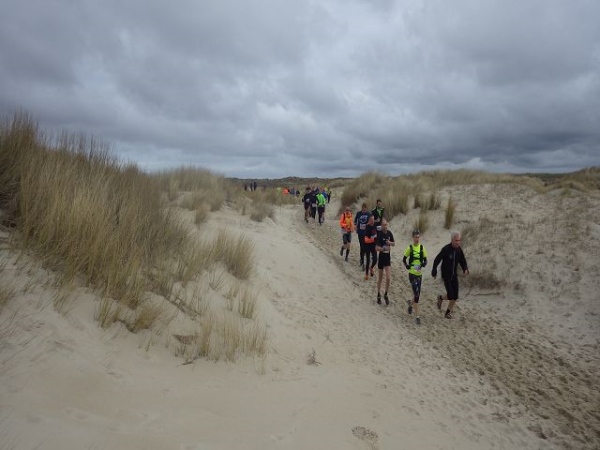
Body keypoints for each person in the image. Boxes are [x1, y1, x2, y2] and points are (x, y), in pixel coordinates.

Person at [431, 231, 469, 319]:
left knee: (455, 296)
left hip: (454, 275)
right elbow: (437, 259)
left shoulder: (459, 250)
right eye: (456, 240)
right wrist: (434, 270)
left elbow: (463, 261)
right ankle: (441, 298)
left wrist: (465, 269)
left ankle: (447, 312)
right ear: (452, 240)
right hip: (446, 275)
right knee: (450, 295)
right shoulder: (446, 249)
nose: (458, 242)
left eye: (459, 240)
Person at [402, 229, 428, 325]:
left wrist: (424, 264)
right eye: (415, 237)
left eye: (418, 237)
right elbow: (404, 259)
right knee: (416, 294)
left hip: (419, 275)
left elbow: (426, 260)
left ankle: (410, 304)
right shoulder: (410, 248)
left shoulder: (422, 248)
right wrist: (407, 265)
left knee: (417, 295)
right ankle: (417, 317)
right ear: (413, 238)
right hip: (412, 274)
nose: (417, 239)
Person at [375, 219, 395, 305]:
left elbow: (394, 243)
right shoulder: (379, 235)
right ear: (381, 226)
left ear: (387, 225)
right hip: (381, 258)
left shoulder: (389, 233)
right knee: (380, 278)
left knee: (388, 278)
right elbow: (376, 248)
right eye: (383, 225)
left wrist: (390, 243)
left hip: (387, 258)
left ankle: (386, 294)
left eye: (386, 225)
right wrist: (383, 248)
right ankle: (378, 294)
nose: (385, 226)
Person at [354, 203, 371, 269]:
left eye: (365, 209)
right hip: (360, 232)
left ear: (366, 208)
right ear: (361, 208)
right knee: (362, 246)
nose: (364, 210)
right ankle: (362, 260)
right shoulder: (358, 213)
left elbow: (371, 221)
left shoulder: (368, 214)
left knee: (366, 246)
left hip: (366, 233)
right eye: (363, 209)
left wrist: (368, 224)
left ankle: (364, 259)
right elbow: (355, 221)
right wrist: (355, 226)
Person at [363, 215, 378, 280]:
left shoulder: (375, 225)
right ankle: (366, 274)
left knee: (375, 259)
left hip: (374, 245)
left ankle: (371, 267)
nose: (372, 221)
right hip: (367, 246)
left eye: (373, 219)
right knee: (368, 260)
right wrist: (373, 240)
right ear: (369, 220)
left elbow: (381, 226)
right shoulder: (367, 227)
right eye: (371, 219)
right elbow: (365, 240)